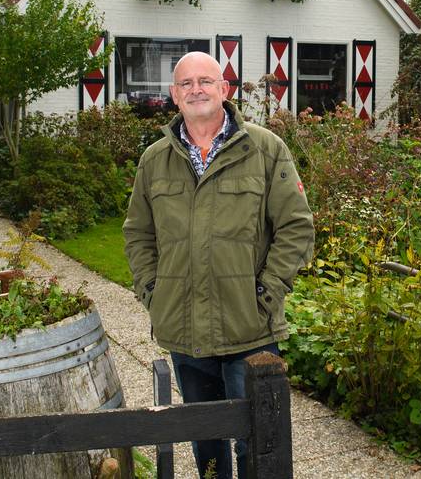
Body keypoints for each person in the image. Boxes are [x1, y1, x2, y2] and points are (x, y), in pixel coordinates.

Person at [123, 51, 314, 479]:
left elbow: (296, 228)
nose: (196, 90)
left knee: (258, 442)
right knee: (206, 444)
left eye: (205, 81)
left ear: (224, 90)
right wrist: (154, 294)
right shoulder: (155, 160)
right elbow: (138, 233)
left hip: (250, 328)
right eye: (186, 84)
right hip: (184, 330)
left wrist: (265, 295)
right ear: (174, 95)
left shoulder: (265, 149)